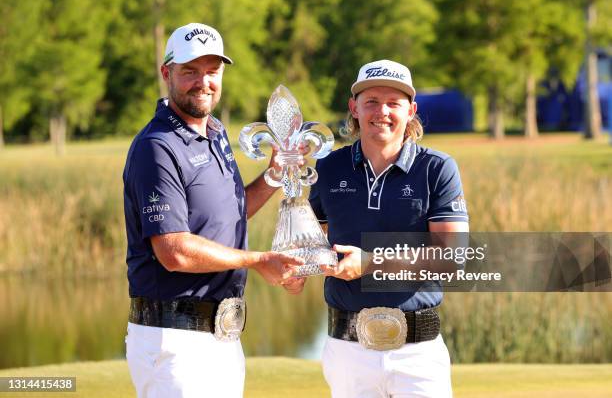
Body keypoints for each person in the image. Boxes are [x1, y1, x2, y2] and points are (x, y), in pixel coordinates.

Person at [122, 23, 304, 398]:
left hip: (221, 337)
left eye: (212, 71)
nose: (203, 82)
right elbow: (173, 251)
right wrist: (257, 260)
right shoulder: (157, 147)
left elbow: (226, 217)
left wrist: (272, 176)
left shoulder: (215, 134)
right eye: (190, 71)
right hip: (174, 340)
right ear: (166, 73)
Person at [309, 59, 469, 397]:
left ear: (411, 110)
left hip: (418, 352)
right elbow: (311, 239)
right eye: (371, 102)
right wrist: (297, 264)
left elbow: (452, 258)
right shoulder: (328, 167)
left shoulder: (437, 169)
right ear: (354, 108)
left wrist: (369, 262)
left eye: (393, 103)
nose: (382, 111)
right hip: (346, 350)